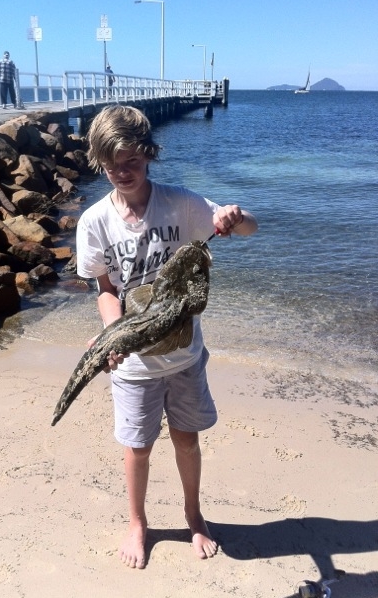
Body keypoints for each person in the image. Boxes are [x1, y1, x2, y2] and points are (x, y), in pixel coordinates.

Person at [77, 105, 258, 569]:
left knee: (186, 440)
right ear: (99, 161)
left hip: (185, 357)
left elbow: (249, 227)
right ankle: (137, 523)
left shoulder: (181, 204)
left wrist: (236, 218)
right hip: (133, 363)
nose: (123, 171)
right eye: (113, 163)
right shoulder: (95, 222)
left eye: (133, 161)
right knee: (137, 446)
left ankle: (193, 515)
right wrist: (111, 336)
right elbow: (105, 289)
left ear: (149, 156)